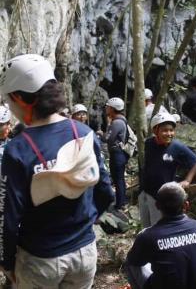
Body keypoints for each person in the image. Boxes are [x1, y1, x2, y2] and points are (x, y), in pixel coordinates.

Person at [0, 54, 114, 288]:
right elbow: (105, 191)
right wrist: (84, 225)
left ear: (20, 99)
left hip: (40, 258)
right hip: (84, 252)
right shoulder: (83, 132)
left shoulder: (17, 149)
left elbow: (7, 217)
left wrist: (7, 262)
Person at [127, 182, 196, 289]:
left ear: (157, 205)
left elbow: (133, 262)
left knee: (131, 263)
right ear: (186, 205)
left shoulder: (148, 236)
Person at [139, 112, 196, 227]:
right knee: (145, 226)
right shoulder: (149, 143)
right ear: (155, 130)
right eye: (165, 130)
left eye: (171, 130)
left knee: (157, 228)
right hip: (145, 192)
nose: (169, 133)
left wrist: (187, 180)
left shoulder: (177, 147)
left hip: (161, 196)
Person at [102, 97, 129, 210]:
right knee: (119, 178)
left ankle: (120, 204)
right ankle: (122, 202)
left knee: (118, 179)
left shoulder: (117, 122)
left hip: (117, 154)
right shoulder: (121, 119)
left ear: (113, 109)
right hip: (119, 153)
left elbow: (108, 138)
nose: (106, 108)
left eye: (108, 107)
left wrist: (101, 133)